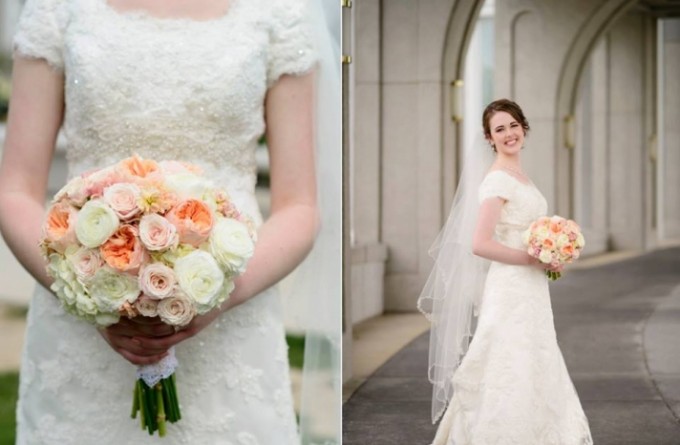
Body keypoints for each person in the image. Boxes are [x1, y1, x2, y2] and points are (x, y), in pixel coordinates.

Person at [0, 0, 339, 443]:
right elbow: (14, 191)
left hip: (230, 311)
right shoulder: (56, 8)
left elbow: (300, 206)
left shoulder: (280, 15)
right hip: (80, 311)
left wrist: (215, 296)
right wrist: (84, 292)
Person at [418, 99, 593, 444]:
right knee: (508, 364)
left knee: (535, 359)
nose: (509, 134)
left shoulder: (519, 176)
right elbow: (480, 244)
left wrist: (553, 250)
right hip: (510, 288)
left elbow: (525, 233)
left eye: (513, 125)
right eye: (500, 129)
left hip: (531, 288)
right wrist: (533, 258)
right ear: (490, 138)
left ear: (523, 128)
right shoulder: (497, 180)